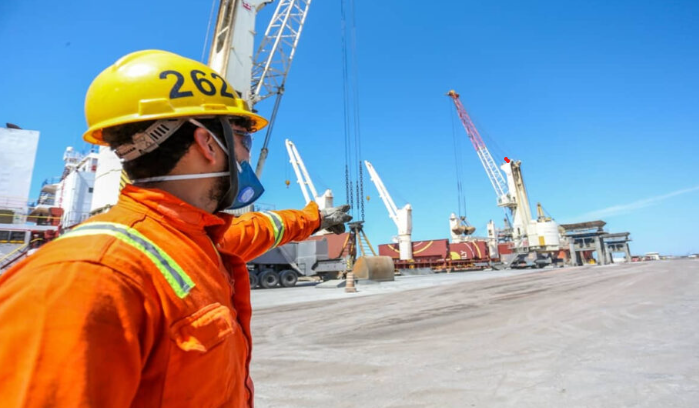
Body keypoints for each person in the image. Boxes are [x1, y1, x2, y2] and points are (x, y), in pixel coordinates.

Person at [0, 50, 351, 408]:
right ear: (208, 143)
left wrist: (316, 219)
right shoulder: (87, 278)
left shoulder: (192, 240)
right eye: (244, 139)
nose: (246, 156)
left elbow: (262, 228)